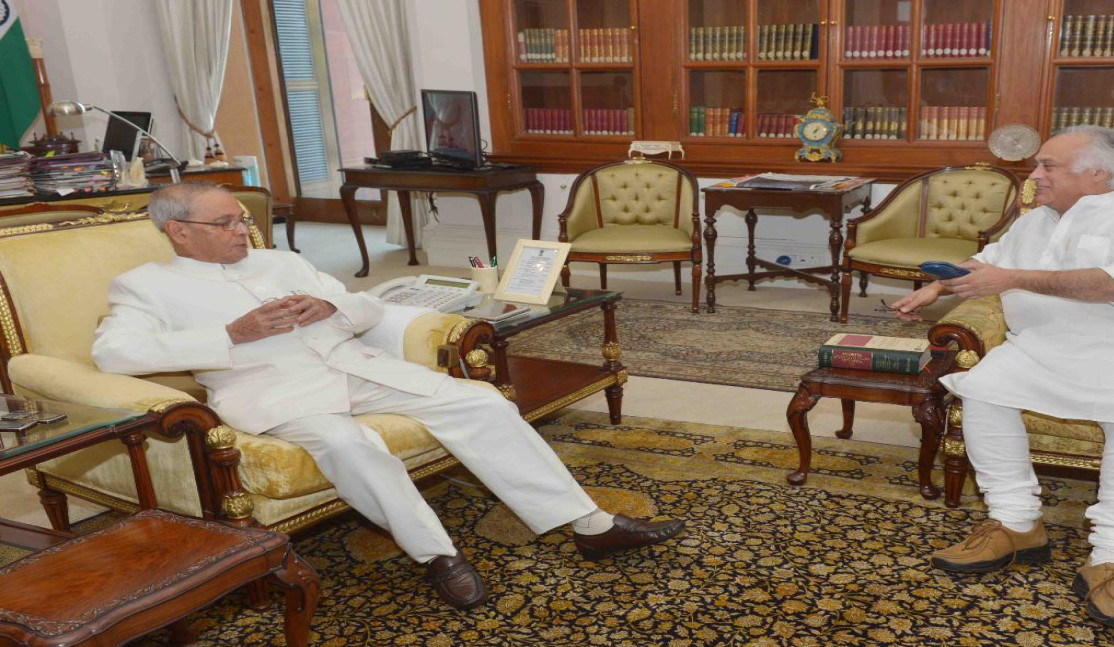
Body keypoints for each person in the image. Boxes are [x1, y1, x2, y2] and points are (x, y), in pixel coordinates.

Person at [91, 182, 685, 611]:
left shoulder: (282, 261)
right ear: (179, 231)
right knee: (352, 446)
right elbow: (113, 354)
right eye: (223, 224)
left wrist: (330, 305)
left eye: (240, 219)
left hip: (356, 367)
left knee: (483, 403)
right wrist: (229, 335)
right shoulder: (146, 286)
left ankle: (590, 525)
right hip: (272, 392)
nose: (240, 231)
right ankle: (438, 556)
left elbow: (366, 307)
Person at [889, 125, 1114, 634]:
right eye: (1037, 165)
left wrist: (1012, 279)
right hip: (1040, 347)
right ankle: (1016, 523)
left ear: (1098, 173)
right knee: (982, 389)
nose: (1034, 175)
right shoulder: (1035, 221)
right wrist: (936, 286)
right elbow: (989, 262)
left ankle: (1113, 559)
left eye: (1049, 166)